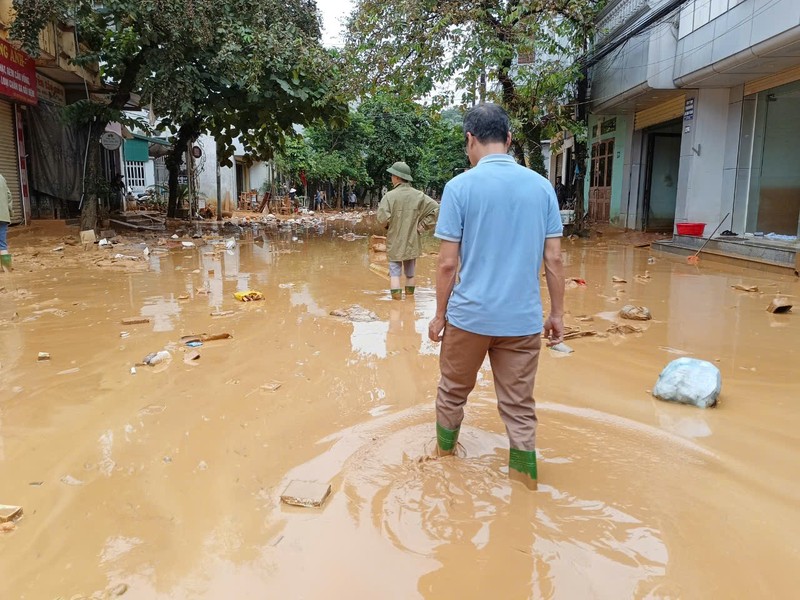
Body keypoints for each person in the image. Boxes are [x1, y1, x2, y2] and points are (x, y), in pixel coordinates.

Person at [428, 103, 565, 490]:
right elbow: (553, 258)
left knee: (453, 393)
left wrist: (439, 315)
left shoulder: (459, 188)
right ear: (508, 139)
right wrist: (557, 314)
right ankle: (525, 487)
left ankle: (442, 464)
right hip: (521, 321)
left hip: (470, 317)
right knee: (520, 408)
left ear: (470, 140)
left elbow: (446, 265)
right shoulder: (542, 187)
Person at [377, 161, 439, 300]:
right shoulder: (419, 196)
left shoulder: (389, 197)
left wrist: (389, 226)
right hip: (412, 240)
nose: (391, 178)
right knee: (410, 274)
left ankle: (396, 308)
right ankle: (409, 306)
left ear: (398, 177)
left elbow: (382, 218)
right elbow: (435, 208)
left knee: (395, 274)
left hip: (395, 241)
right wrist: (422, 226)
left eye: (392, 175)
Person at [0, 173, 12, 272]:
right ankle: (7, 269)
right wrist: (9, 212)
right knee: (3, 244)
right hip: (3, 216)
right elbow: (9, 196)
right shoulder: (2, 177)